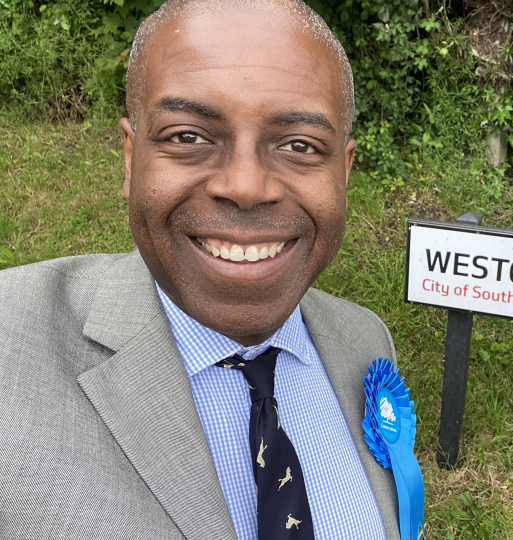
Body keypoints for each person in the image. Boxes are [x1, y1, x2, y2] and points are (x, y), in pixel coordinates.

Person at [0, 1, 401, 539]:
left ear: (343, 172)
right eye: (188, 136)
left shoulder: (365, 342)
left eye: (300, 145)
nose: (245, 186)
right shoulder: (11, 346)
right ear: (130, 156)